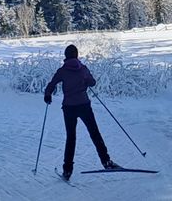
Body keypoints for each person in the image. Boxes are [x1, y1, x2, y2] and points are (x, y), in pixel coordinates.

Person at [43, 44, 120, 180]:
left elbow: (52, 84)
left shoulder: (62, 71)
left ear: (66, 56)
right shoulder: (82, 69)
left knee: (71, 138)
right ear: (77, 55)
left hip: (68, 108)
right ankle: (106, 162)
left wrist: (48, 95)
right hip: (84, 105)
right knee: (95, 133)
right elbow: (92, 83)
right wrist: (84, 82)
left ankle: (67, 171)